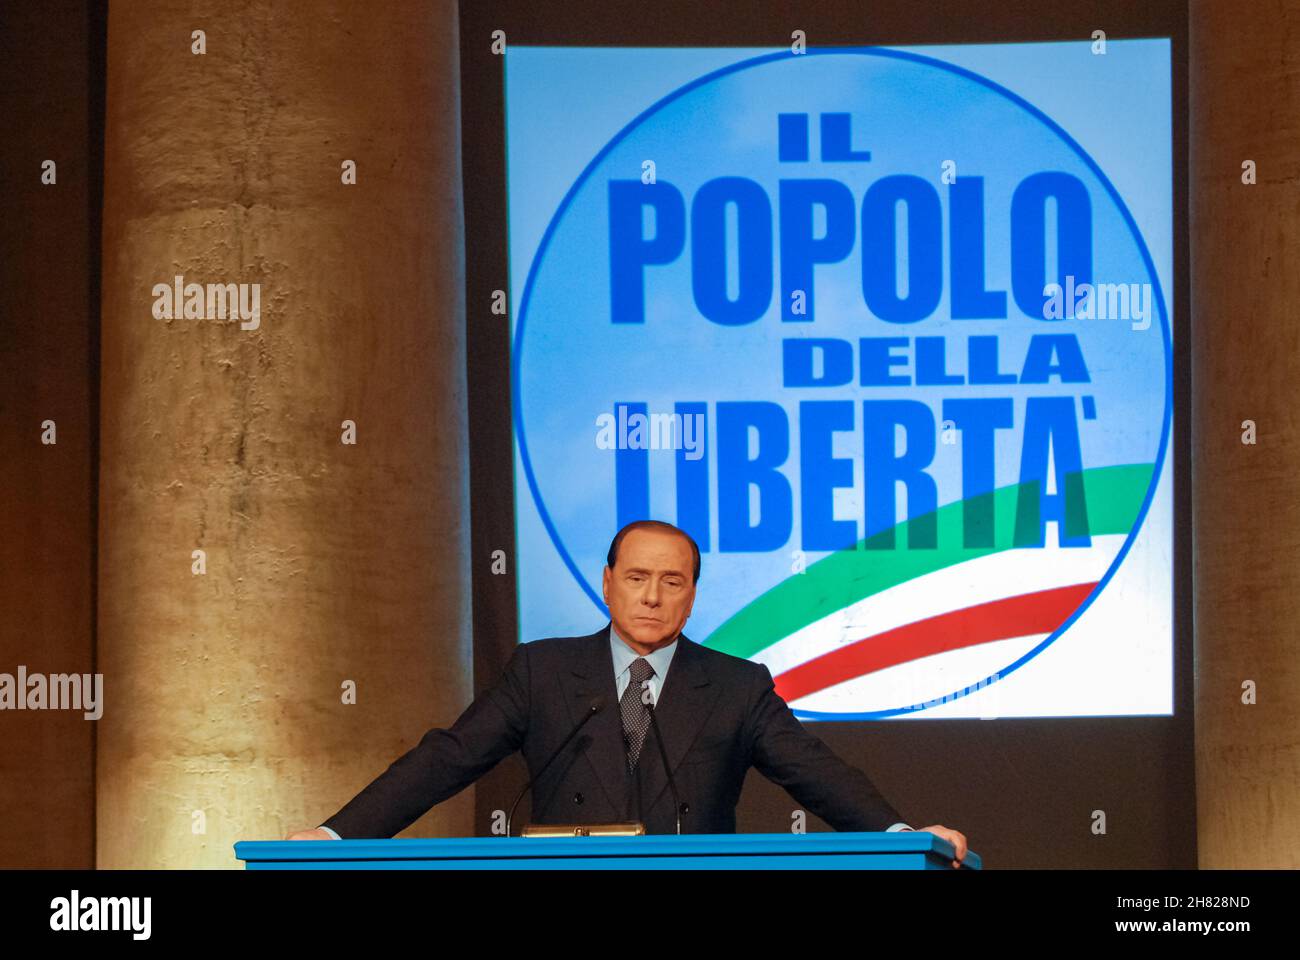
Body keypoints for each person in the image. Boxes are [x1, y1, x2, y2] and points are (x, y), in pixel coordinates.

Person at [289, 519, 969, 866]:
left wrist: (901, 835)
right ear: (607, 581)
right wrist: (336, 833)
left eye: (672, 581)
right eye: (637, 577)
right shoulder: (543, 673)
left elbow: (816, 773)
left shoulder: (736, 687)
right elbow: (448, 758)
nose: (652, 595)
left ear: (694, 593)